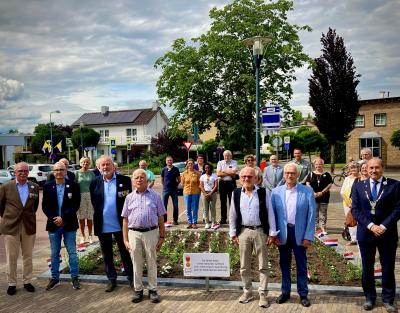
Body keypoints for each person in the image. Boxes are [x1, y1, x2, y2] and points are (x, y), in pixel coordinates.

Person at [352, 158, 400, 312]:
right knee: (367, 267)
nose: (373, 171)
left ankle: (388, 299)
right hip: (366, 233)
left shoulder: (394, 185)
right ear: (366, 168)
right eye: (371, 168)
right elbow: (355, 210)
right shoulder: (359, 186)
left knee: (388, 267)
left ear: (382, 168)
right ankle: (369, 298)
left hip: (387, 233)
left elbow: (398, 209)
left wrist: (383, 226)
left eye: (377, 168)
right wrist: (371, 226)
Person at [229, 167, 277, 308]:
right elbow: (233, 214)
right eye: (243, 176)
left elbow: (270, 214)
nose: (246, 179)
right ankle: (247, 292)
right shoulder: (236, 193)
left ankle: (263, 294)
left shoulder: (263, 192)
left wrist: (272, 233)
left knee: (263, 266)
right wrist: (233, 233)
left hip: (260, 232)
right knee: (244, 266)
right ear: (240, 178)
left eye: (249, 176)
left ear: (256, 178)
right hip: (243, 232)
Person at [270, 163, 316, 307]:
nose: (289, 175)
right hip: (283, 233)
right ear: (284, 174)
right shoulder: (275, 192)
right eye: (287, 173)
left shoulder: (307, 191)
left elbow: (312, 214)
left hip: (300, 233)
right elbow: (273, 216)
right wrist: (274, 234)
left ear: (298, 175)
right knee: (284, 263)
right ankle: (285, 292)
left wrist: (308, 235)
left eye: (292, 173)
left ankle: (303, 294)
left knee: (301, 264)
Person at [90, 155, 133, 292]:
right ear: (98, 167)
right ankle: (111, 279)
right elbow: (95, 202)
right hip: (103, 225)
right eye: (103, 165)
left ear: (113, 166)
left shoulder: (125, 180)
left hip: (121, 225)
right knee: (106, 253)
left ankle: (132, 278)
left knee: (126, 252)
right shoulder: (95, 182)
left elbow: (129, 200)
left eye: (108, 164)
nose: (105, 167)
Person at [122, 169, 166, 304]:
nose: (139, 179)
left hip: (151, 232)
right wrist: (125, 239)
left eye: (142, 177)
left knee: (152, 261)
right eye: (136, 177)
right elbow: (125, 220)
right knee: (136, 262)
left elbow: (160, 218)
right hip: (133, 233)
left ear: (147, 180)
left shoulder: (155, 196)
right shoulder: (129, 197)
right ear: (133, 181)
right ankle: (138, 290)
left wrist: (162, 237)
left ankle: (152, 290)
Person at [0, 162, 40, 295]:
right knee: (12, 256)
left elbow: (34, 207)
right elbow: (1, 207)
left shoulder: (34, 187)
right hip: (11, 226)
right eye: (20, 171)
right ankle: (12, 283)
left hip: (28, 226)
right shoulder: (6, 187)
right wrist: (9, 218)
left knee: (27, 256)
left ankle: (27, 281)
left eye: (25, 171)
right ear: (15, 172)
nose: (23, 173)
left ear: (28, 173)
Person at [42, 161, 81, 290]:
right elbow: (45, 206)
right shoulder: (48, 186)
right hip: (54, 225)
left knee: (72, 252)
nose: (59, 172)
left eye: (61, 170)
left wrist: (63, 218)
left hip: (69, 224)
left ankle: (74, 277)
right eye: (56, 170)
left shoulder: (74, 185)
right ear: (53, 172)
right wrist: (55, 219)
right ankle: (55, 278)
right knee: (54, 253)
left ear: (66, 171)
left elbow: (76, 204)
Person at [305, 158, 333, 235]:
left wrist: (322, 192)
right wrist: (313, 192)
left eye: (320, 164)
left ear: (322, 165)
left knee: (323, 213)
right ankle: (315, 227)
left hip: (324, 196)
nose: (318, 166)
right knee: (314, 212)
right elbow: (308, 183)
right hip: (313, 196)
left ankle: (323, 227)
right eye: (316, 164)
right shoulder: (311, 174)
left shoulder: (327, 174)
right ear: (314, 165)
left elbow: (329, 184)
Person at [76, 157, 95, 244]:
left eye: (87, 162)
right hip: (80, 197)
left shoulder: (92, 173)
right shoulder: (77, 173)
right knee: (82, 218)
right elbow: (74, 185)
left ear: (89, 163)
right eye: (83, 162)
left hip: (90, 196)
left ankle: (90, 235)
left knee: (90, 217)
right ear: (80, 163)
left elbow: (95, 185)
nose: (85, 164)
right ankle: (82, 236)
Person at [340, 162, 359, 245]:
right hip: (347, 203)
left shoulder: (360, 178)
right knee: (350, 221)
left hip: (358, 203)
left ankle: (360, 238)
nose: (354, 169)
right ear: (349, 169)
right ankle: (353, 239)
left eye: (355, 167)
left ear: (359, 169)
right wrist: (348, 203)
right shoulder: (347, 178)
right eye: (352, 168)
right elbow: (342, 192)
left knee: (359, 220)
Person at [216, 150, 237, 225]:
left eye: (228, 155)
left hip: (231, 183)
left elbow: (234, 173)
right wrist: (229, 172)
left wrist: (223, 172)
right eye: (225, 155)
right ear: (223, 156)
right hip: (222, 184)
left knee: (232, 202)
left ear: (231, 156)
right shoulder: (220, 162)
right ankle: (223, 219)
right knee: (223, 202)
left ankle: (233, 219)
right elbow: (218, 173)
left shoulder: (234, 162)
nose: (226, 157)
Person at [161, 156, 181, 224]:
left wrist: (175, 185)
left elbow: (179, 180)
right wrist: (165, 186)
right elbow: (162, 180)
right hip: (165, 190)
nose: (169, 161)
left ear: (172, 161)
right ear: (166, 161)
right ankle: (165, 220)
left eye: (170, 160)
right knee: (164, 206)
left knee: (175, 205)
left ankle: (175, 220)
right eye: (168, 160)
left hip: (174, 190)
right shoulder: (163, 169)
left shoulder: (176, 169)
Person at [181, 159, 201, 229]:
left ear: (193, 164)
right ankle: (189, 223)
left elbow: (200, 184)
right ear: (187, 165)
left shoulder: (197, 173)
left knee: (195, 208)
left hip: (195, 193)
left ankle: (194, 223)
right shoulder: (184, 173)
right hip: (186, 193)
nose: (190, 165)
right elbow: (183, 184)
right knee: (188, 208)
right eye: (188, 163)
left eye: (191, 163)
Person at [199, 163, 218, 229]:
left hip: (212, 194)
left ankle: (213, 222)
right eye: (205, 168)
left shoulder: (214, 176)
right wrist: (205, 193)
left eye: (208, 168)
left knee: (212, 208)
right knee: (205, 209)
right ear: (204, 168)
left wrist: (210, 193)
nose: (207, 169)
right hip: (204, 194)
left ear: (211, 168)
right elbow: (201, 186)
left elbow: (216, 186)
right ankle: (207, 223)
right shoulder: (202, 176)